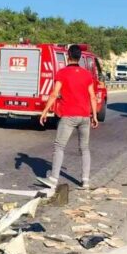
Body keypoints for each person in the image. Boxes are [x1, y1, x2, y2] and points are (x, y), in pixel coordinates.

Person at [38, 45, 98, 190]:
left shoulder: (62, 73)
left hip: (69, 116)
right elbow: (92, 96)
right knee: (84, 148)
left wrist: (45, 111)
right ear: (80, 57)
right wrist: (94, 115)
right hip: (84, 116)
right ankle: (85, 181)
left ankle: (53, 179)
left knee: (59, 146)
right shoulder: (87, 74)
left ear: (68, 55)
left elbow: (54, 94)